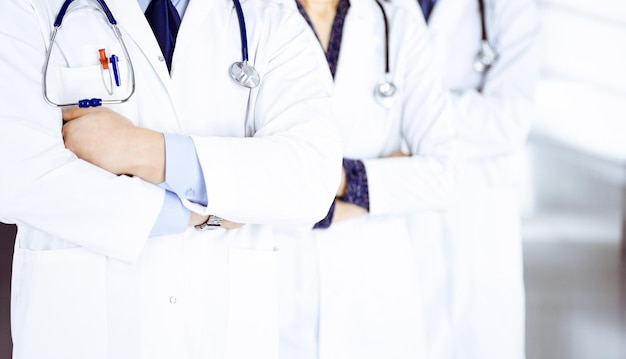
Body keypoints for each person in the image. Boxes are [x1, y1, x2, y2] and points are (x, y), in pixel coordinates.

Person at [0, 0, 343, 358]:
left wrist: (142, 150)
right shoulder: (27, 8)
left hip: (221, 333)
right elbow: (16, 174)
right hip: (81, 329)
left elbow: (312, 176)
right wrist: (199, 213)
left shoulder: (269, 14)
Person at [278, 0, 457, 358]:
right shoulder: (252, 17)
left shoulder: (397, 22)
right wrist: (379, 182)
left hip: (375, 293)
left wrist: (335, 181)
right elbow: (241, 170)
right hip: (278, 288)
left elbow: (444, 175)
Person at [408, 0, 541, 358]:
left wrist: (406, 107)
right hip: (396, 213)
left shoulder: (509, 8)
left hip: (476, 217)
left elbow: (509, 120)